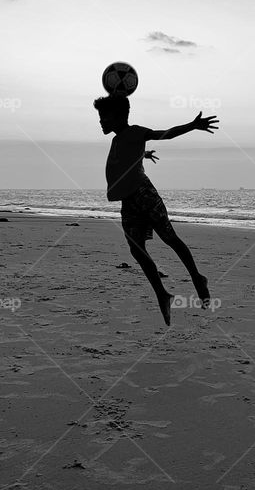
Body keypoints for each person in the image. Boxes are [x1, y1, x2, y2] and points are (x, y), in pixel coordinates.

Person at [93, 95, 218, 326]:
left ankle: (197, 278)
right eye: (99, 117)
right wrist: (143, 154)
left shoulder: (136, 131)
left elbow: (166, 134)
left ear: (119, 116)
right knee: (137, 251)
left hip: (144, 194)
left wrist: (193, 125)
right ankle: (162, 294)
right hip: (128, 202)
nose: (100, 121)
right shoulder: (119, 140)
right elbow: (127, 159)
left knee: (169, 237)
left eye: (104, 117)